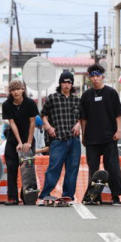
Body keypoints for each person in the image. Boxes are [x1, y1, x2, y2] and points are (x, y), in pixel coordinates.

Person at [80, 63, 121, 205]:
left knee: (112, 167)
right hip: (92, 138)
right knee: (93, 168)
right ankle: (94, 196)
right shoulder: (86, 95)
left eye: (97, 76)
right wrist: (84, 135)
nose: (95, 79)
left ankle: (116, 196)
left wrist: (118, 130)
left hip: (109, 137)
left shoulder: (111, 93)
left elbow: (118, 114)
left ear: (102, 77)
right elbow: (83, 118)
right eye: (92, 76)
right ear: (89, 78)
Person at [38, 70, 81, 204]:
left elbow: (83, 117)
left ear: (72, 84)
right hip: (58, 139)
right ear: (60, 83)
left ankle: (68, 196)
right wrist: (49, 127)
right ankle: (45, 194)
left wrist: (79, 124)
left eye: (69, 82)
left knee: (72, 168)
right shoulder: (52, 98)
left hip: (74, 139)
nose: (66, 85)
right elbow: (43, 114)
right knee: (54, 168)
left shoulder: (77, 100)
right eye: (64, 82)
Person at [1, 78, 38, 204]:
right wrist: (19, 142)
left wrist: (28, 142)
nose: (15, 92)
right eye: (13, 90)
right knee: (11, 167)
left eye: (18, 89)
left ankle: (27, 195)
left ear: (23, 89)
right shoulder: (6, 104)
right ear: (10, 92)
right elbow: (12, 123)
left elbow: (32, 123)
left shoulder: (30, 103)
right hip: (13, 140)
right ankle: (12, 197)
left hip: (28, 138)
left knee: (27, 169)